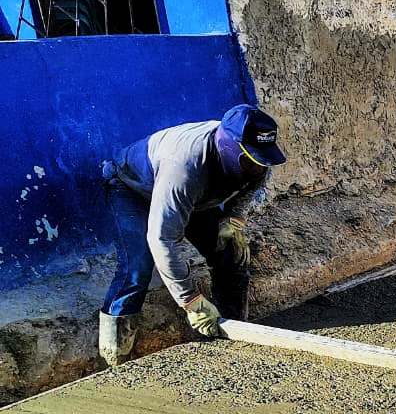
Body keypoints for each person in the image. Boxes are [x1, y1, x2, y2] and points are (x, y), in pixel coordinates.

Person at [98, 105, 286, 365]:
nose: (259, 168)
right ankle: (115, 356)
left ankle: (231, 334)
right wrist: (192, 302)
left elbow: (254, 182)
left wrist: (233, 218)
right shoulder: (184, 167)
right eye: (253, 161)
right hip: (133, 190)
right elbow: (162, 239)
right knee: (137, 267)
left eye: (263, 160)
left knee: (229, 251)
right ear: (230, 149)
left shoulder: (252, 156)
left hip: (194, 197)